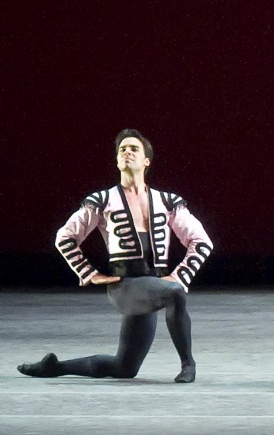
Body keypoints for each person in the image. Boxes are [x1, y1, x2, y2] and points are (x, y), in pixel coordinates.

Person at [17, 130, 213, 383]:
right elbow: (65, 237)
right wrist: (89, 273)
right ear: (117, 160)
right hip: (125, 286)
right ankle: (189, 364)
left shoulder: (167, 201)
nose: (127, 152)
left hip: (152, 287)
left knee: (125, 367)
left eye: (133, 149)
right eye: (122, 149)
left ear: (146, 161)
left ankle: (54, 367)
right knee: (175, 293)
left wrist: (179, 274)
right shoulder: (102, 200)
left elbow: (202, 242)